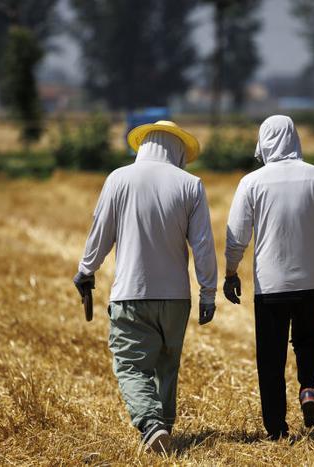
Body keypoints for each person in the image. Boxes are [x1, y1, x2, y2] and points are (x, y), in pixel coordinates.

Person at [73, 121, 217, 455]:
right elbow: (203, 246)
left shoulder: (118, 179)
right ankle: (163, 427)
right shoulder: (191, 185)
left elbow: (100, 233)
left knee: (130, 365)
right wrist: (208, 292)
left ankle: (151, 425)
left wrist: (86, 270)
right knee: (167, 364)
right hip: (176, 298)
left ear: (143, 145)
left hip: (131, 293)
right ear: (179, 150)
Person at [223, 115, 314, 440]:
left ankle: (277, 429)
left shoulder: (252, 183)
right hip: (313, 281)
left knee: (271, 356)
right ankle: (309, 390)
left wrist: (230, 272)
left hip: (271, 285)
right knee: (309, 341)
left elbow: (236, 236)